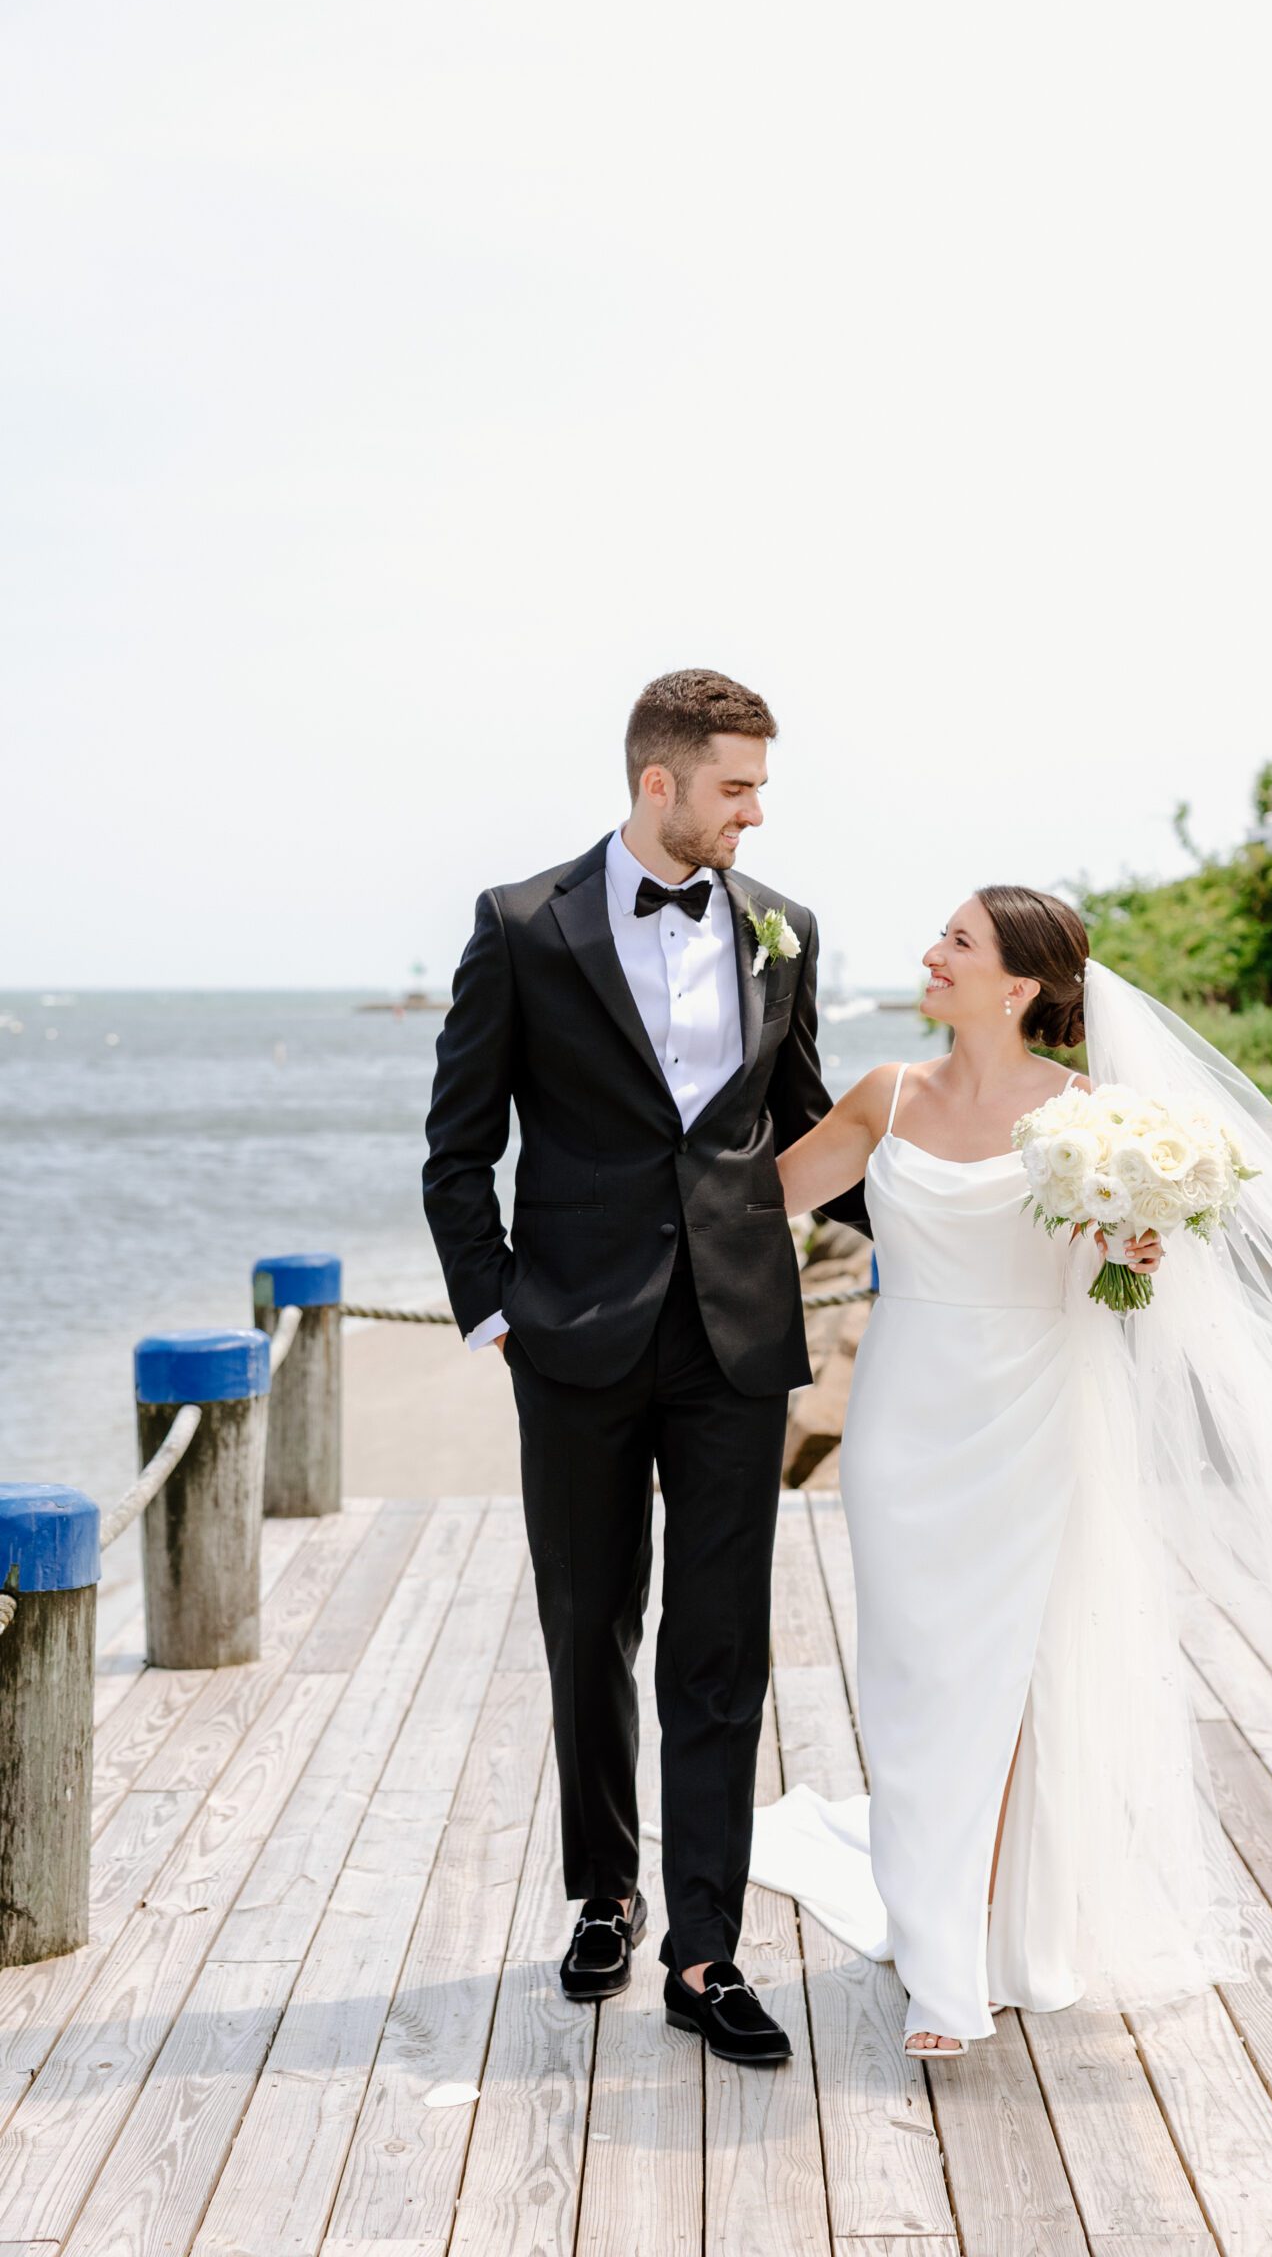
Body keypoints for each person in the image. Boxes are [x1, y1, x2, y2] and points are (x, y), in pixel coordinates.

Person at [758, 884, 1272, 2056]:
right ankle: (937, 1905)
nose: (930, 953)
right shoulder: (886, 1096)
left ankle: (951, 1966)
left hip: (1033, 1412)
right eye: (942, 935)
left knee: (996, 1674)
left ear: (1021, 985)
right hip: (901, 1416)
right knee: (908, 1671)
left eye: (958, 941)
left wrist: (1131, 1247)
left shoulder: (1093, 1118)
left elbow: (1112, 1279)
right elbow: (762, 1200)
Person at [422, 667, 866, 2067]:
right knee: (587, 1624)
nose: (753, 812)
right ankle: (602, 1893)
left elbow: (808, 1127)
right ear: (656, 783)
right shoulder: (520, 928)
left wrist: (973, 1234)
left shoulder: (783, 929)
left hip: (735, 1335)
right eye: (734, 787)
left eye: (758, 790)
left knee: (719, 1644)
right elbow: (456, 1146)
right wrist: (493, 1311)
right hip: (571, 1336)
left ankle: (703, 1950)